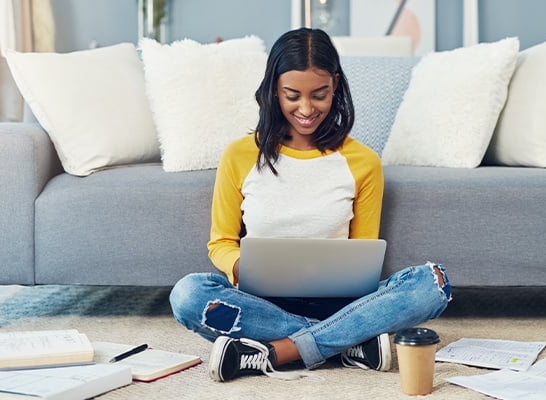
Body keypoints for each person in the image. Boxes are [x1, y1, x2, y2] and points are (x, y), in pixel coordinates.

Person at [169, 27, 452, 382]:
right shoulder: (240, 155)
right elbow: (221, 242)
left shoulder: (362, 161)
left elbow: (362, 254)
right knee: (188, 295)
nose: (306, 109)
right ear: (274, 89)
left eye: (319, 95)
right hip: (263, 304)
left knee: (433, 283)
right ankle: (347, 342)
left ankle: (279, 351)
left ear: (335, 85)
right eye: (292, 95)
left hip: (341, 303)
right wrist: (241, 266)